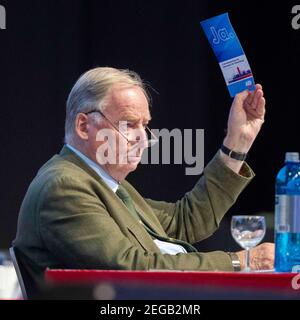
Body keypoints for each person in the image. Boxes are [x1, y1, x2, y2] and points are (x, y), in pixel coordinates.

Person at [13, 67, 274, 278]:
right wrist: (240, 261)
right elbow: (131, 267)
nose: (143, 138)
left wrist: (238, 141)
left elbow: (186, 221)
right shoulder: (64, 186)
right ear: (84, 125)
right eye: (128, 124)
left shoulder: (105, 183)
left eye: (145, 125)